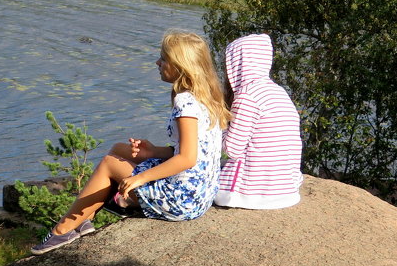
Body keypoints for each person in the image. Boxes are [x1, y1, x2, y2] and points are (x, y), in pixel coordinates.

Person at [31, 30, 230, 254]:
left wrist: (139, 178)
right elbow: (194, 151)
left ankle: (63, 230)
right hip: (200, 194)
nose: (157, 62)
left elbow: (186, 158)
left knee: (108, 163)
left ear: (181, 66)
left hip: (182, 200)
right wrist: (153, 151)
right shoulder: (206, 97)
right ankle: (84, 218)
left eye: (164, 59)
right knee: (119, 149)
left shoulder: (185, 103)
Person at [214, 33, 303, 209]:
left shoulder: (247, 96)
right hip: (287, 190)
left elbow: (232, 150)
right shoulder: (279, 92)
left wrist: (221, 123)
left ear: (238, 64)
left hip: (253, 194)